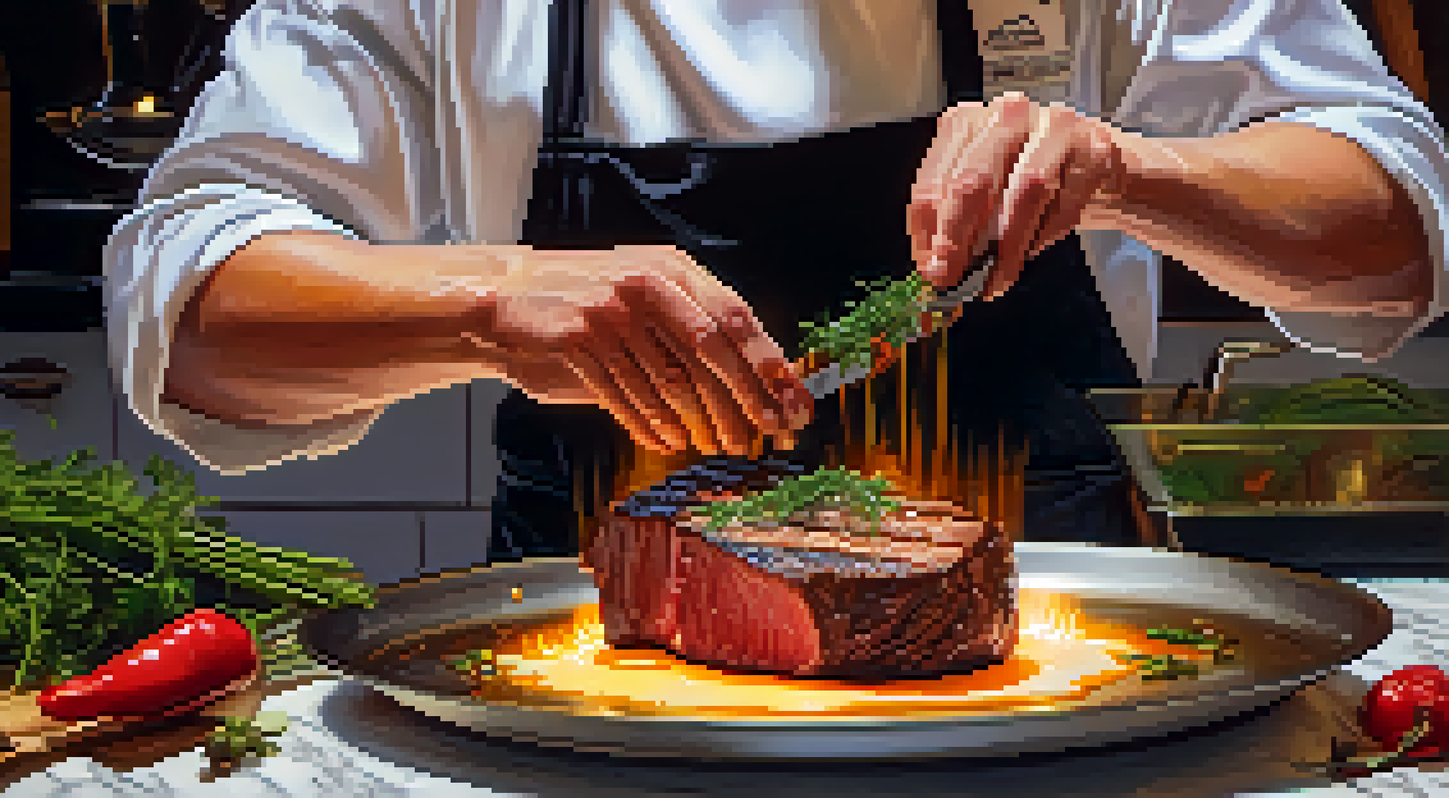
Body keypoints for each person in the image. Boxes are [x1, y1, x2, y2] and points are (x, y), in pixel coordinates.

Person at [107, 0, 1445, 559]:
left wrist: (1126, 171)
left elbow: (1390, 225)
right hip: (592, 719)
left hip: (1061, 705)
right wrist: (490, 299)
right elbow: (191, 313)